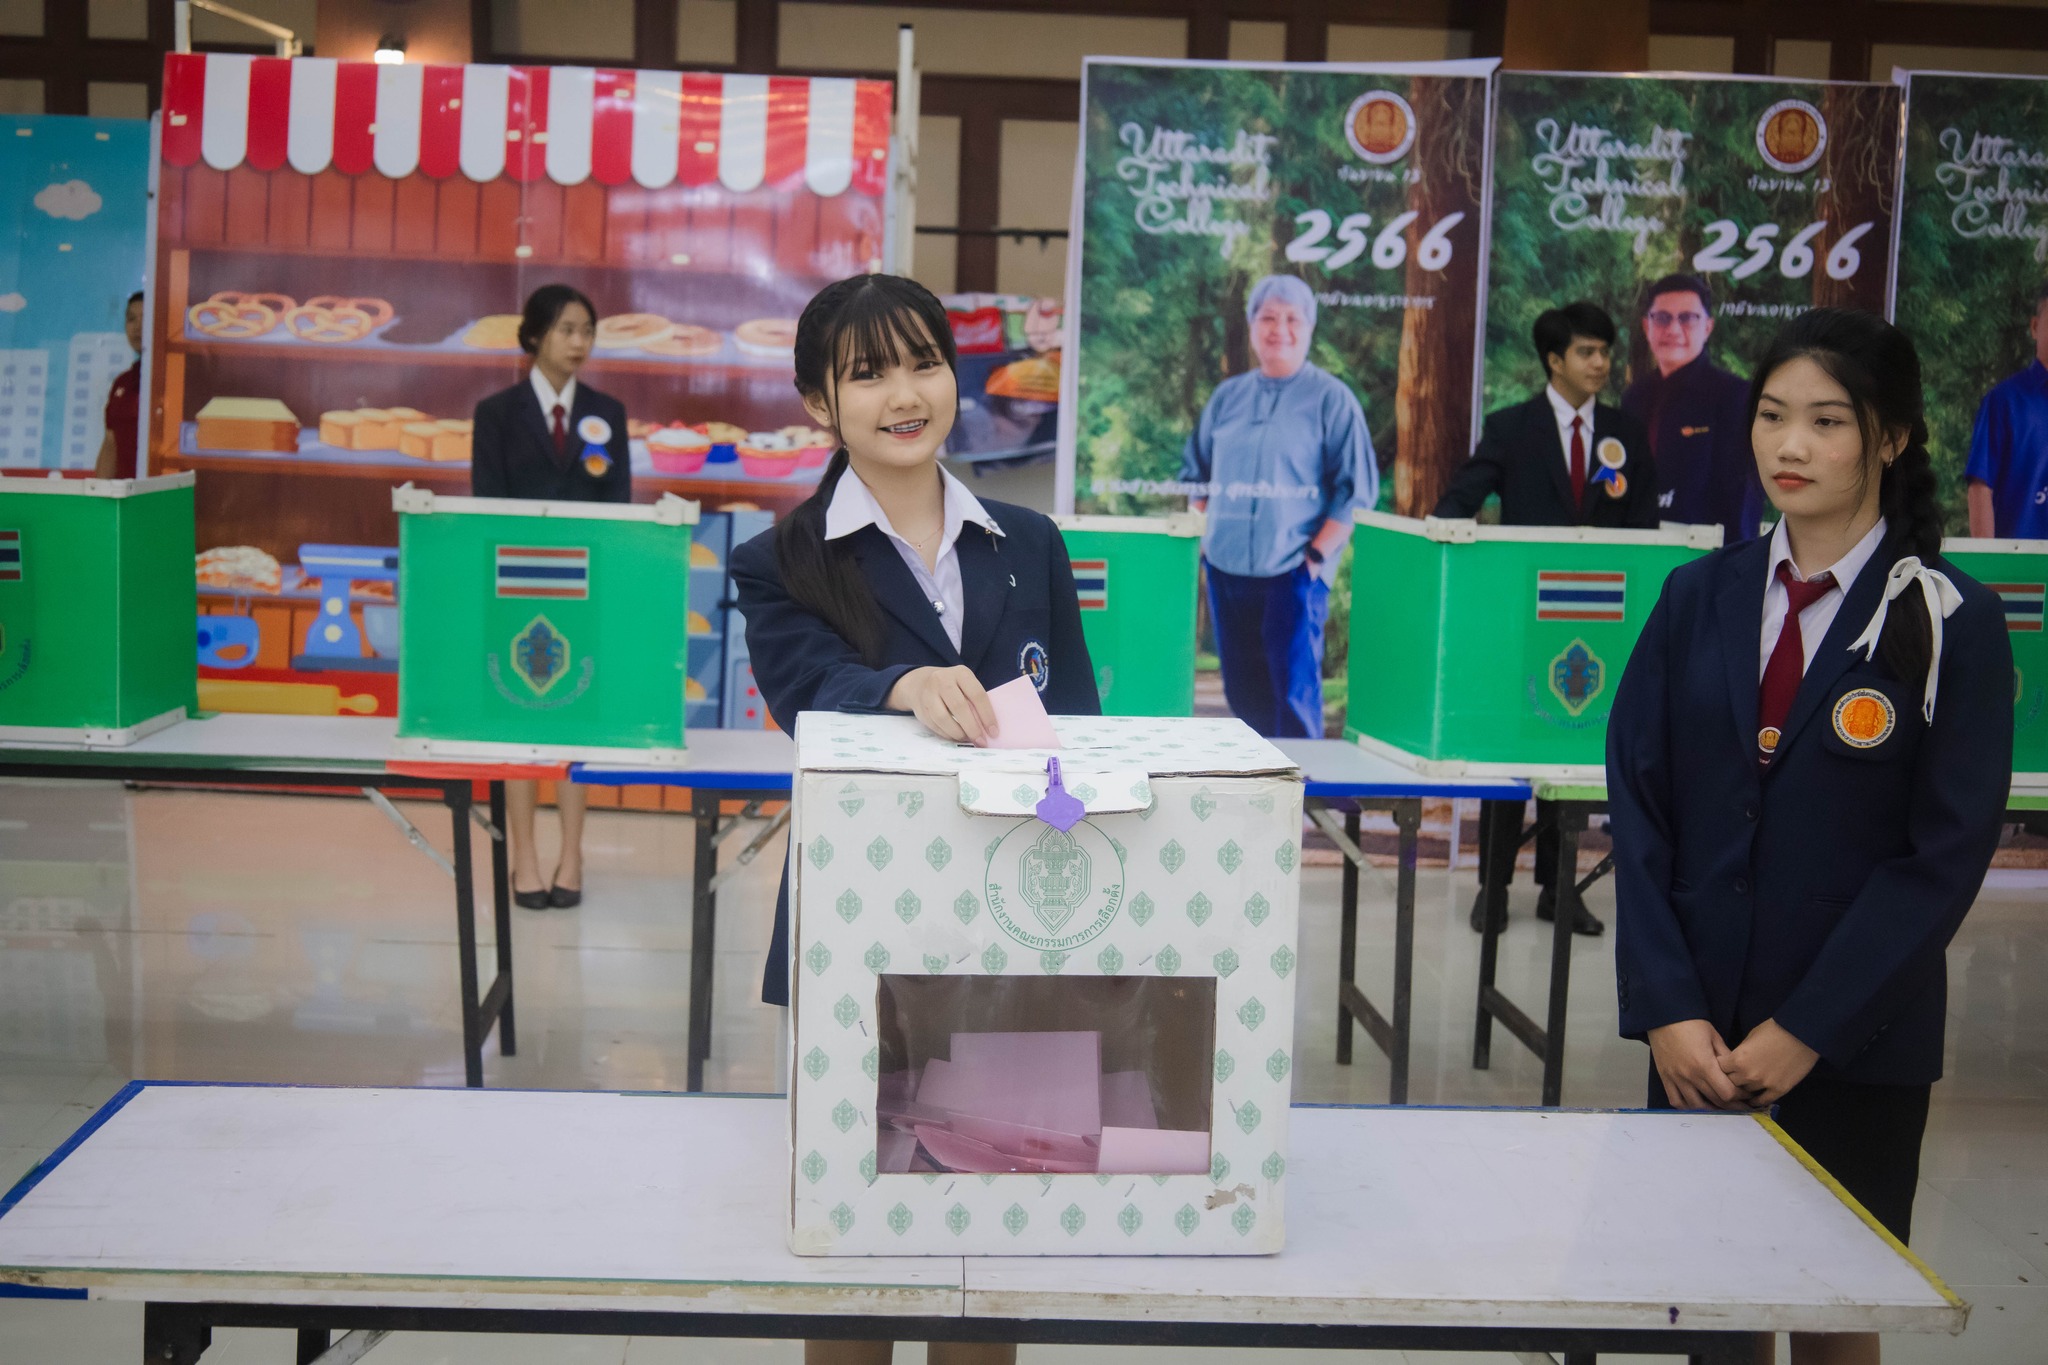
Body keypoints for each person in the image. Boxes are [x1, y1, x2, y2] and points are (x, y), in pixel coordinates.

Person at [1608, 309, 2011, 1365]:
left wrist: (1807, 1030)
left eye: (1826, 421)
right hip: (1696, 1038)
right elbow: (1640, 812)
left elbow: (1943, 854)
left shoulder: (1945, 620)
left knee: (1836, 1312)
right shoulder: (1695, 598)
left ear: (1889, 438)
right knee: (1707, 1313)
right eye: (1772, 416)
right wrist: (1665, 1009)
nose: (1789, 446)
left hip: (1854, 1040)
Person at [731, 271, 1096, 1365]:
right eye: (868, 372)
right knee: (852, 1237)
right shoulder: (780, 560)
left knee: (993, 1234)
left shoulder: (1028, 542)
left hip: (1018, 933)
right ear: (816, 404)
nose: (904, 393)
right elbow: (801, 686)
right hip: (857, 926)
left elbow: (1073, 724)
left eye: (924, 362)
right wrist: (897, 685)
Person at [1436, 302, 1658, 937]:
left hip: (1600, 622)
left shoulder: (1626, 433)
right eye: (1586, 352)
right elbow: (1459, 500)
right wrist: (1452, 540)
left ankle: (1560, 891)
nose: (1600, 364)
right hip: (1524, 617)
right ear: (1554, 360)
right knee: (1512, 753)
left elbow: (1643, 526)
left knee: (1572, 750)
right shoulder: (1512, 427)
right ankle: (1494, 887)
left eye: (1605, 352)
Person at [471, 283, 630, 910]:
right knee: (518, 723)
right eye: (567, 329)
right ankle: (525, 858)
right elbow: (488, 507)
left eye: (587, 330)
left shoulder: (606, 412)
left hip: (582, 591)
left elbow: (616, 506)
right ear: (534, 335)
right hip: (515, 591)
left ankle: (571, 854)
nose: (579, 342)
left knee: (572, 720)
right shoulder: (496, 413)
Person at [1178, 273, 1377, 738]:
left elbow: (1356, 492)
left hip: (1293, 576)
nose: (1279, 328)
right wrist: (1208, 542)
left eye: (1292, 318)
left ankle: (1302, 803)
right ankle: (1259, 799)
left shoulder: (1332, 399)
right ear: (1252, 326)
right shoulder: (1228, 398)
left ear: (1309, 327)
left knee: (1292, 698)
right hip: (1227, 573)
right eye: (1267, 317)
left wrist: (1312, 559)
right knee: (1243, 697)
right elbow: (1197, 473)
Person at [1620, 273, 1763, 545]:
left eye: (1687, 318)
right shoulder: (1635, 397)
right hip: (1639, 550)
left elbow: (1741, 498)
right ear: (1646, 326)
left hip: (1704, 558)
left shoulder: (1735, 396)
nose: (1673, 330)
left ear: (1707, 327)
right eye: (1662, 318)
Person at [1965, 281, 2048, 538]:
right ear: (2035, 327)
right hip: (2019, 569)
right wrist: (1987, 571)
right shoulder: (2003, 402)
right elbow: (1980, 487)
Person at [93, 291, 144, 480]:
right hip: (125, 499)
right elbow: (110, 445)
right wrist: (97, 503)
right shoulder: (122, 383)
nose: (138, 327)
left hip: (158, 497)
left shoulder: (171, 380)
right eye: (131, 319)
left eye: (146, 318)